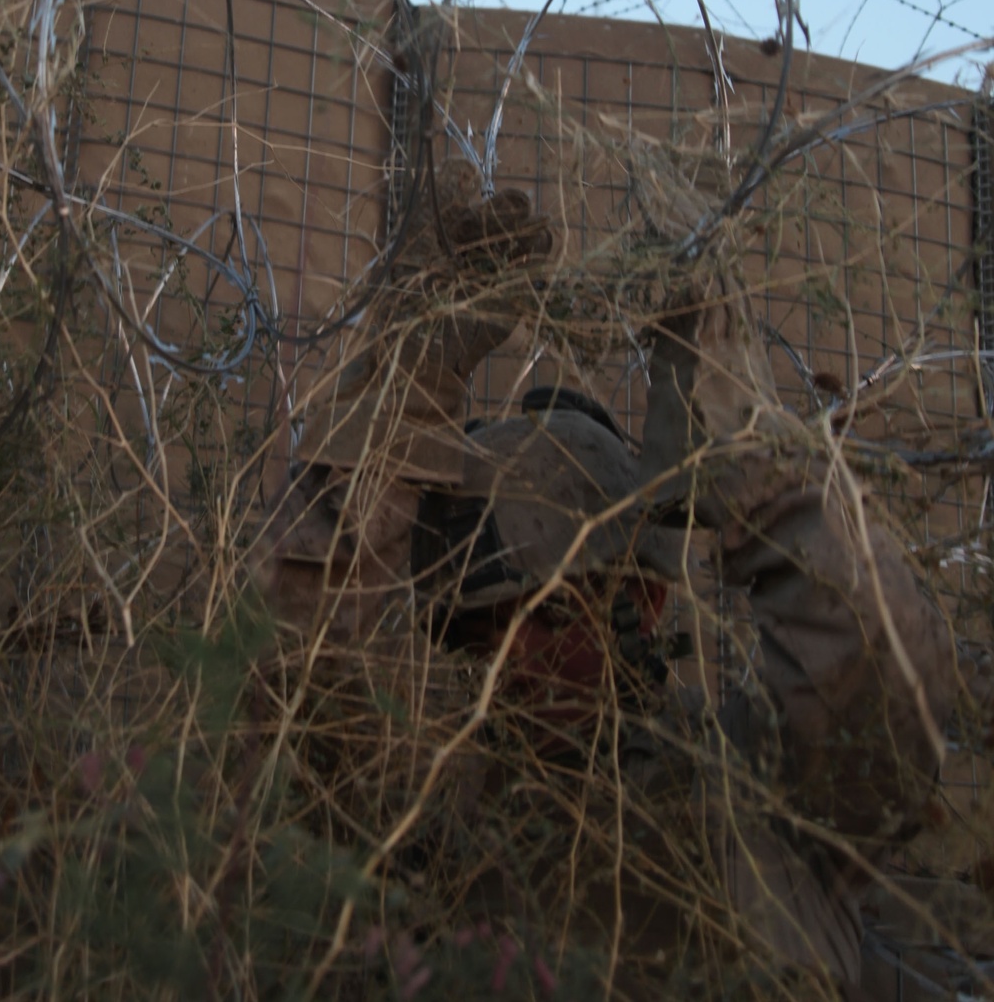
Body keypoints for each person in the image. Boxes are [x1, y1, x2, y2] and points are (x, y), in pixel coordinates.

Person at [253, 162, 955, 997]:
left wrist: (746, 466)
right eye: (475, 636)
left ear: (645, 600)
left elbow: (879, 682)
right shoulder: (441, 817)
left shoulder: (752, 789)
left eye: (546, 616)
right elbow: (290, 701)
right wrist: (404, 388)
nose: (505, 663)